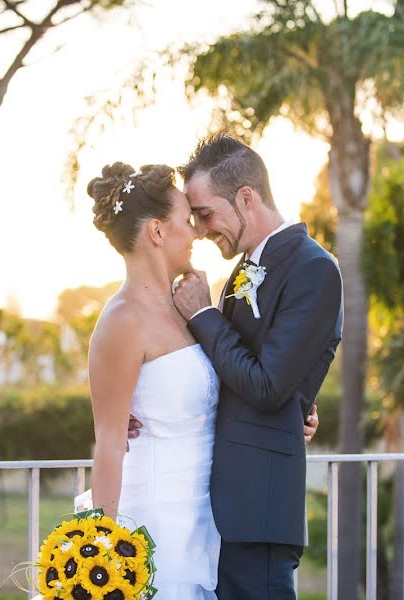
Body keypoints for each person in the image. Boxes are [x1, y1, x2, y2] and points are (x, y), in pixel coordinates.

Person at [85, 159, 324, 600]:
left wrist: (294, 413)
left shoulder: (188, 307)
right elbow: (108, 442)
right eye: (185, 219)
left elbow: (243, 379)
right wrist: (102, 544)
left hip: (207, 520)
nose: (197, 231)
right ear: (157, 232)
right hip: (154, 521)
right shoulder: (122, 320)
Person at [159, 133, 344, 600]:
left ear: (246, 197)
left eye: (205, 214)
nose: (200, 230)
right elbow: (245, 371)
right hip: (225, 504)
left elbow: (266, 386)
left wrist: (203, 315)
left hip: (258, 508)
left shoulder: (313, 268)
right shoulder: (243, 270)